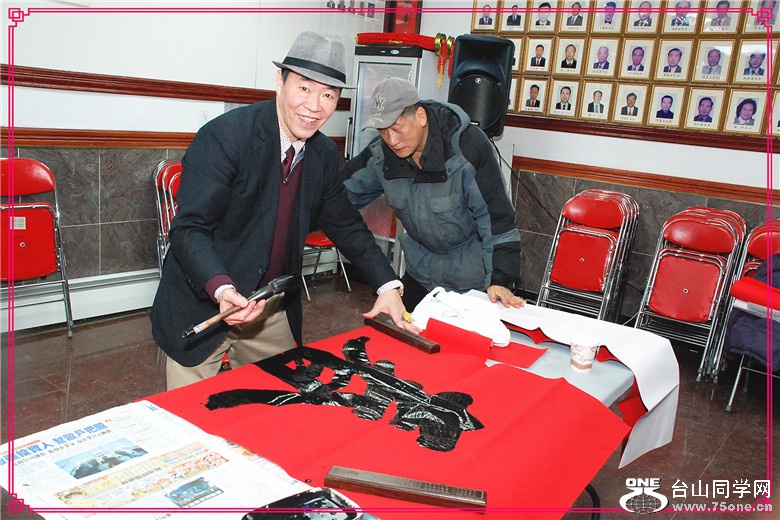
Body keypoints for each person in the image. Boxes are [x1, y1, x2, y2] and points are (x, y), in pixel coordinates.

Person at [151, 32, 412, 391]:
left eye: (328, 95)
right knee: (189, 413)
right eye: (304, 88)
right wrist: (221, 288)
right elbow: (189, 228)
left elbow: (346, 225)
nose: (314, 106)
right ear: (279, 81)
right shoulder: (225, 137)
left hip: (269, 308)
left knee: (279, 403)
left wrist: (388, 284)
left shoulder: (322, 154)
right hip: (205, 303)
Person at [342, 78, 525, 311]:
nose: (392, 140)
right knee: (398, 329)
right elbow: (339, 195)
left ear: (420, 116)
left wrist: (500, 278)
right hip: (421, 273)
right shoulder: (381, 155)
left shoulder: (467, 147)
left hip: (472, 280)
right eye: (383, 132)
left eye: (397, 129)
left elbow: (496, 219)